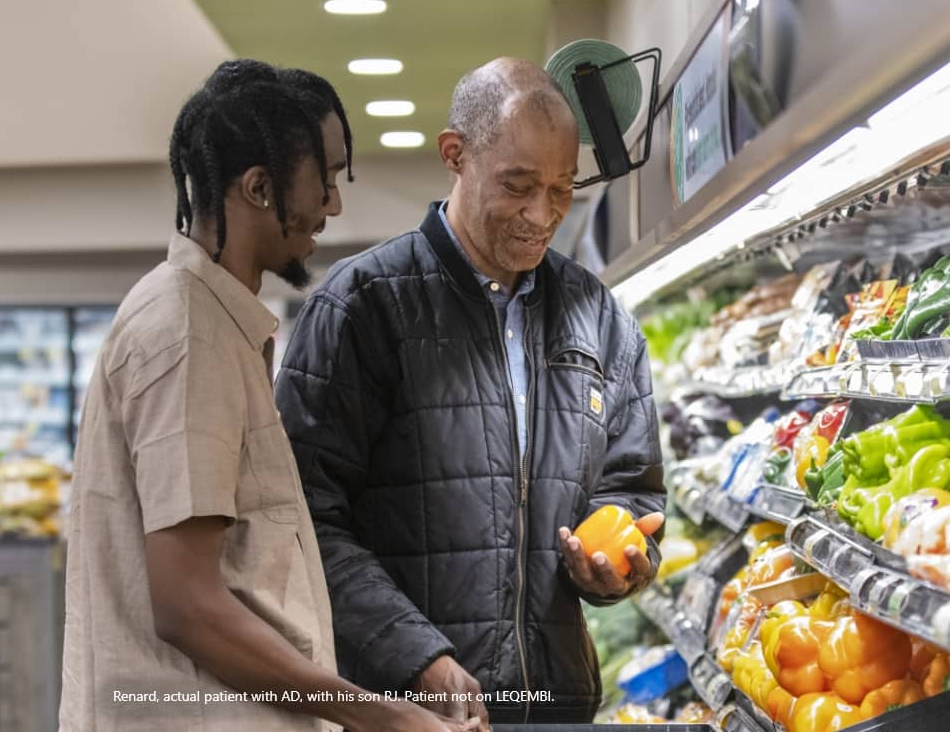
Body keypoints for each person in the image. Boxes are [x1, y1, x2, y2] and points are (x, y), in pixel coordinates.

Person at [60, 59, 470, 732]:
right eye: (328, 178)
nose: (333, 205)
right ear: (257, 187)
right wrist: (383, 717)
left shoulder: (215, 323)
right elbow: (187, 605)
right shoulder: (186, 333)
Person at [275, 57, 666, 726]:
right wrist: (417, 657)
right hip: (406, 712)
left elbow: (632, 485)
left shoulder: (596, 316)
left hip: (554, 705)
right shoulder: (364, 307)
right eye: (517, 185)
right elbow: (300, 519)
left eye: (562, 188)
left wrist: (625, 563)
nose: (540, 215)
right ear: (454, 154)